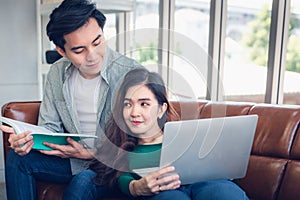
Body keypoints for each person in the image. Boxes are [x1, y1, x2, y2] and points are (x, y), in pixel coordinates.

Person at [0, 0, 142, 199]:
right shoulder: (57, 73)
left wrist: (94, 154)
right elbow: (50, 128)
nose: (92, 56)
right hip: (72, 159)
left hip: (113, 166)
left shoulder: (132, 74)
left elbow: (143, 143)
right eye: (79, 50)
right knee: (18, 159)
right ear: (61, 50)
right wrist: (28, 140)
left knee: (83, 180)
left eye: (97, 42)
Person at [90, 68, 249, 200]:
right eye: (127, 104)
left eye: (144, 104)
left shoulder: (188, 137)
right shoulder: (122, 147)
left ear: (161, 109)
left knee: (223, 191)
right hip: (164, 193)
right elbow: (120, 178)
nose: (134, 112)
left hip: (205, 185)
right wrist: (135, 187)